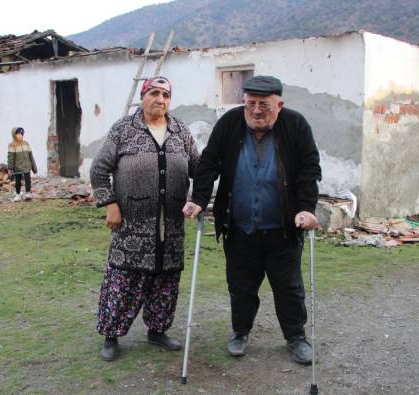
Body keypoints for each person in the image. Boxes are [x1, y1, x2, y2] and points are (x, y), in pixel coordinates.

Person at [183, 75, 321, 364]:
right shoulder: (230, 124)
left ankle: (295, 337)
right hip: (239, 227)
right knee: (241, 287)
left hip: (283, 228)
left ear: (279, 105)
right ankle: (240, 332)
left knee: (289, 288)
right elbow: (209, 163)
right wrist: (198, 199)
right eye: (250, 104)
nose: (256, 111)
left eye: (264, 105)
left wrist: (307, 208)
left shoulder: (296, 126)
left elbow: (309, 169)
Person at [90, 76, 200, 361]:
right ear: (143, 96)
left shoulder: (181, 132)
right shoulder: (124, 129)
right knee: (123, 281)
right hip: (132, 225)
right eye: (154, 93)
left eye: (165, 94)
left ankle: (157, 331)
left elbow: (199, 168)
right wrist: (110, 204)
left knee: (166, 283)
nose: (160, 99)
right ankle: (111, 335)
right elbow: (99, 171)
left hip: (172, 226)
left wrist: (198, 198)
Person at [7, 127, 37, 201]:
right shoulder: (12, 145)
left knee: (28, 180)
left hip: (27, 166)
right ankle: (18, 194)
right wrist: (10, 168)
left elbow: (30, 156)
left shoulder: (26, 143)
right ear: (14, 135)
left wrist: (34, 167)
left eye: (21, 133)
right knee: (18, 181)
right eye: (17, 134)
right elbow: (10, 157)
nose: (20, 135)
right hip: (17, 167)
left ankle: (28, 193)